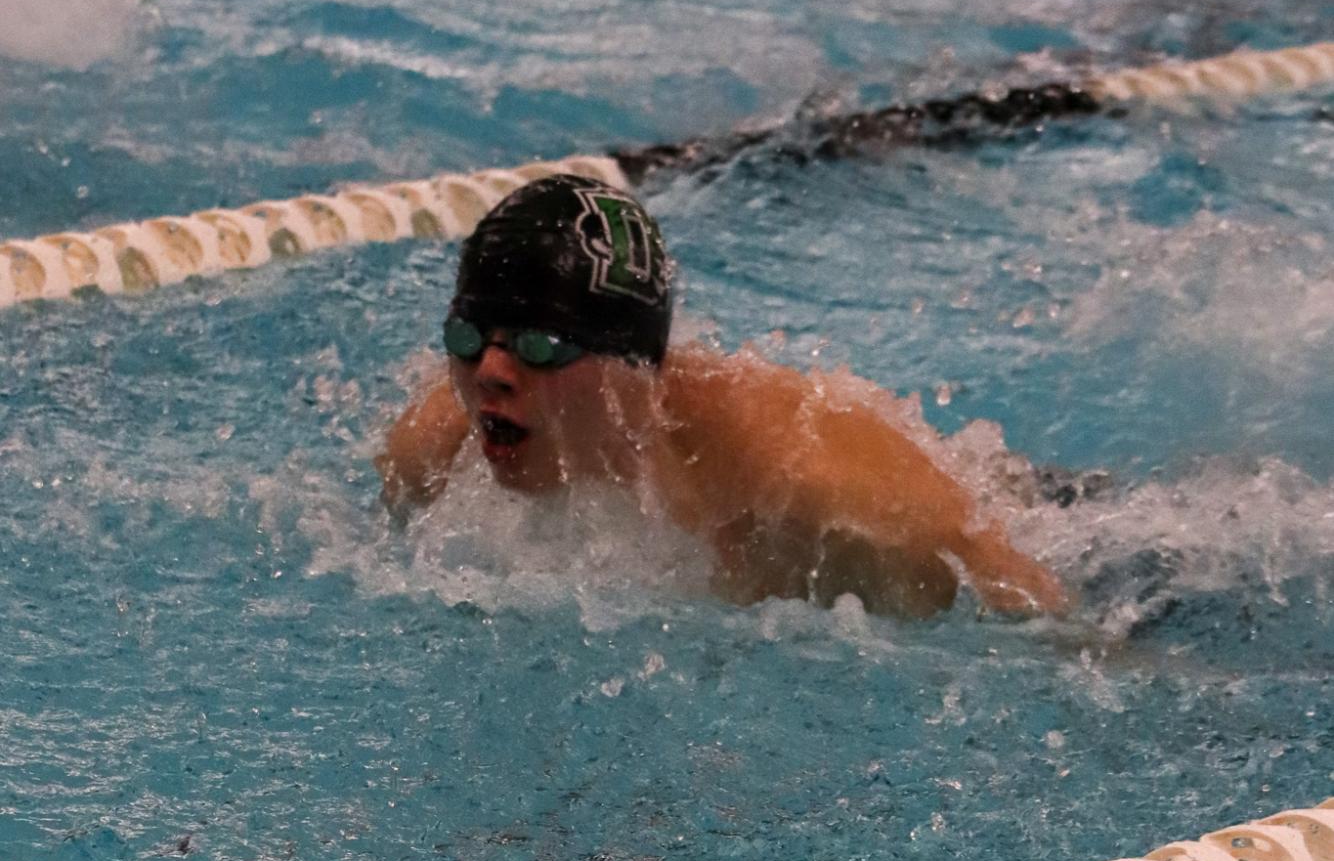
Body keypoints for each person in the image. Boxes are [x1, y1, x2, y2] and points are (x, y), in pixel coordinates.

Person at [377, 174, 1067, 620]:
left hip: (1063, 527)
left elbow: (1033, 604)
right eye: (469, 336)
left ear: (631, 365)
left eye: (539, 347)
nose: (490, 373)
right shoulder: (431, 453)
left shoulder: (805, 483)